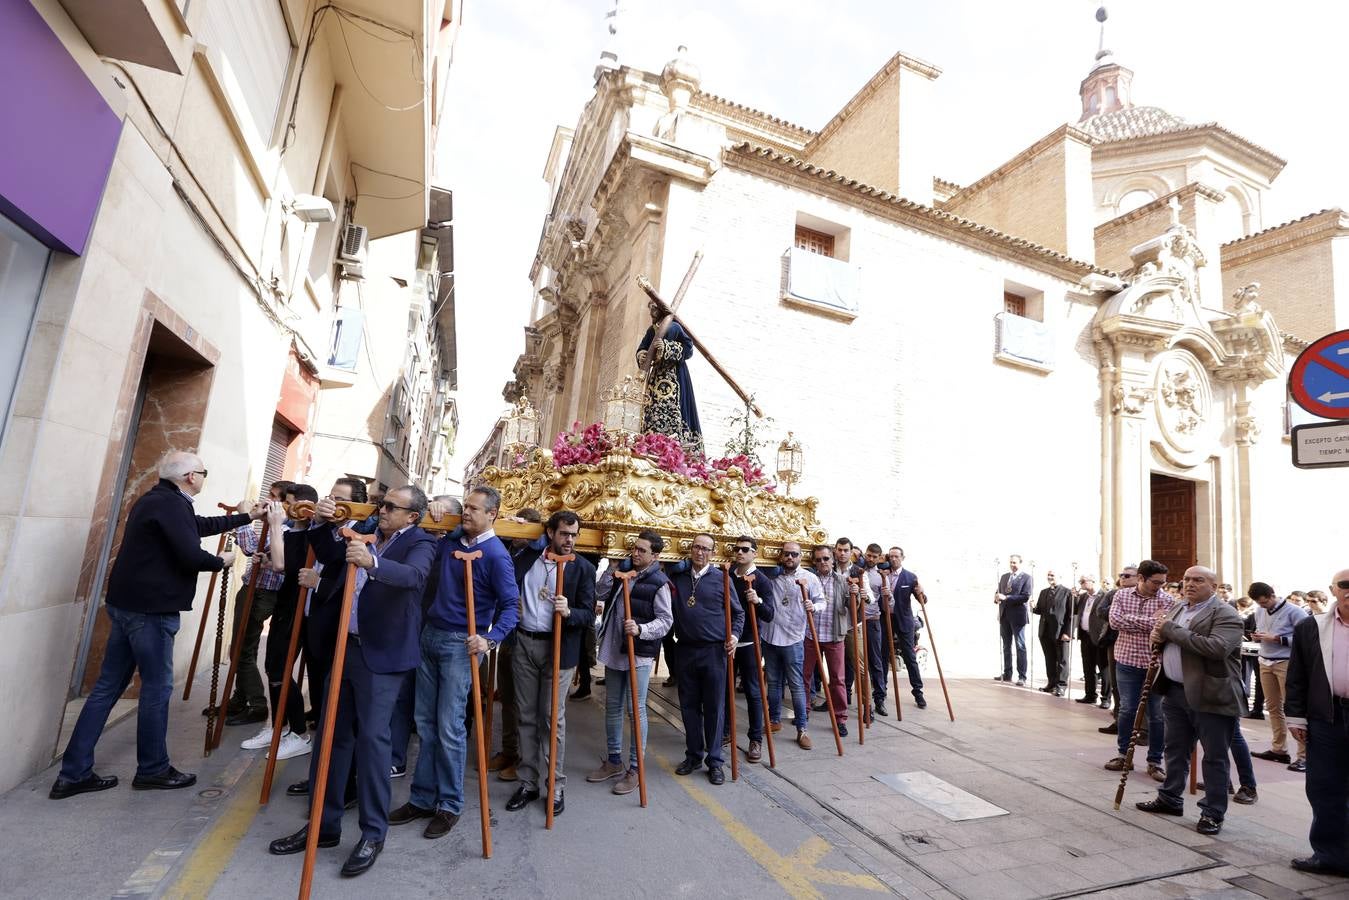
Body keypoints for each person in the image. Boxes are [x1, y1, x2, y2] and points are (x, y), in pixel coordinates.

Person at [51, 452, 259, 800]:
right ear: (191, 476)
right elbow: (191, 555)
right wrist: (222, 561)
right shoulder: (171, 505)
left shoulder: (159, 499)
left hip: (127, 606)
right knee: (157, 690)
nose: (204, 478)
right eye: (204, 473)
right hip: (150, 613)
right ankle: (152, 769)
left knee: (106, 689)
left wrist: (244, 517)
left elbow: (196, 527)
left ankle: (73, 774)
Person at [268, 485, 437, 877]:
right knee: (332, 734)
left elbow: (413, 577)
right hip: (346, 646)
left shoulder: (422, 542)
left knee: (373, 741)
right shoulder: (368, 529)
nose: (382, 510)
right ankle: (323, 825)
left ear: (412, 516)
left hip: (382, 655)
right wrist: (325, 523)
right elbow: (330, 554)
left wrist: (373, 562)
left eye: (391, 507)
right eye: (381, 504)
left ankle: (373, 833)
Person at [390, 486, 518, 838]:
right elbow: (433, 528)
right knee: (425, 723)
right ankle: (421, 798)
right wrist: (440, 515)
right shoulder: (450, 543)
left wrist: (490, 639)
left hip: (461, 645)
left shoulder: (496, 555)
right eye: (467, 508)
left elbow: (511, 606)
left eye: (475, 510)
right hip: (430, 635)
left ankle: (449, 805)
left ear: (492, 514)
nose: (468, 513)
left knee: (449, 728)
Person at [1135, 565, 1244, 836]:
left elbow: (1216, 648)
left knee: (1214, 757)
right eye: (1186, 579)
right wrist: (1156, 638)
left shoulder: (1226, 614)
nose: (1189, 584)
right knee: (1175, 749)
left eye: (1198, 580)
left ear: (1214, 586)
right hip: (1174, 691)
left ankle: (1212, 812)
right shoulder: (1178, 608)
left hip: (1210, 695)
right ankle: (1170, 797)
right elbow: (1163, 638)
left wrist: (1170, 630)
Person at [504, 510, 596, 817]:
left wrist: (570, 611)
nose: (569, 540)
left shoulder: (582, 568)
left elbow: (588, 614)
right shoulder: (527, 560)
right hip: (525, 644)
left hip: (559, 649)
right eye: (563, 534)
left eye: (573, 535)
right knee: (526, 715)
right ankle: (529, 782)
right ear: (549, 533)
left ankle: (555, 785)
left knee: (551, 718)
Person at [285, 476, 369, 800]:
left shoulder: (358, 536)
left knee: (339, 717)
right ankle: (321, 775)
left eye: (340, 499)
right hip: (311, 624)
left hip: (337, 631)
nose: (332, 502)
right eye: (331, 496)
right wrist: (302, 525)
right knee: (321, 710)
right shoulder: (322, 526)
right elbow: (295, 561)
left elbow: (335, 563)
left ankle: (341, 785)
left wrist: (319, 583)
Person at [588, 530, 673, 794]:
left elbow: (666, 621)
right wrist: (610, 568)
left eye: (642, 551)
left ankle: (635, 768)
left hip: (639, 651)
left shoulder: (659, 582)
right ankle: (614, 760)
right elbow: (599, 592)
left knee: (635, 709)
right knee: (612, 705)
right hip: (616, 647)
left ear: (655, 555)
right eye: (634, 549)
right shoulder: (622, 571)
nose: (636, 554)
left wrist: (641, 629)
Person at [238, 484, 316, 760]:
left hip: (299, 610)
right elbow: (283, 566)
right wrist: (268, 562)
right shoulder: (294, 532)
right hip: (285, 605)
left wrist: (273, 526)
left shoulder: (309, 533)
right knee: (273, 668)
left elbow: (286, 565)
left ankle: (299, 733)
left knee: (281, 671)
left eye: (288, 503)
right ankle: (278, 726)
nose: (281, 508)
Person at [1284, 567, 1349, 876]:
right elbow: (1297, 675)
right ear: (1332, 589)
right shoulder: (1312, 627)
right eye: (1345, 585)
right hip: (1327, 718)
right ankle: (1330, 854)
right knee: (1324, 787)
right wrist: (1296, 716)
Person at [667, 534, 742, 784]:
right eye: (697, 547)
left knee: (714, 707)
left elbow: (738, 614)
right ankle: (693, 755)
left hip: (714, 652)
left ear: (713, 552)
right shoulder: (678, 578)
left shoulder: (722, 578)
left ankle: (715, 761)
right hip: (685, 649)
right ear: (691, 550)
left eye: (706, 549)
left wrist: (733, 635)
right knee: (688, 706)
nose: (700, 552)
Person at [222, 479, 294, 725]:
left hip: (262, 593)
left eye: (275, 497)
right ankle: (239, 698)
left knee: (242, 649)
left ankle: (257, 704)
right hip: (253, 590)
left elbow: (251, 549)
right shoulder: (271, 525)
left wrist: (244, 516)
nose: (268, 500)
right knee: (242, 647)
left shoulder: (282, 529)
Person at [1105, 560, 1174, 780]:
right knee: (1127, 709)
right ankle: (1123, 754)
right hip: (1126, 660)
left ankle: (1155, 761)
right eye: (1156, 582)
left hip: (1154, 663)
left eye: (1163, 583)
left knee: (1157, 715)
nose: (1160, 587)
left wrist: (1133, 620)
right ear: (1141, 578)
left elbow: (1165, 627)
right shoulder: (1122, 595)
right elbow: (1115, 621)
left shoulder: (1167, 600)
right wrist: (1149, 622)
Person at [724, 536, 776, 762]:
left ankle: (756, 739)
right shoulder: (726, 576)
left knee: (754, 692)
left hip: (749, 642)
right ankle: (725, 730)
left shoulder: (762, 581)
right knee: (724, 689)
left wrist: (758, 601)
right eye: (737, 549)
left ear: (755, 553)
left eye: (745, 549)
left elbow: (770, 614)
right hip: (727, 642)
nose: (740, 553)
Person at [763, 541, 821, 747]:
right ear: (781, 556)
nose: (790, 557)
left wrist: (812, 605)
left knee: (796, 685)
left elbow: (821, 601)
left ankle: (802, 728)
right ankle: (774, 719)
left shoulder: (810, 578)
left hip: (794, 637)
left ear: (800, 557)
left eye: (794, 554)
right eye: (786, 554)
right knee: (773, 682)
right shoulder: (771, 575)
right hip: (770, 635)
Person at [1248, 581, 1310, 772]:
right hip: (1265, 660)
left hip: (1286, 662)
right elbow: (1261, 630)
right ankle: (1279, 749)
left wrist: (1277, 638)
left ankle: (1304, 756)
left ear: (1272, 595)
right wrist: (1256, 636)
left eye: (1264, 602)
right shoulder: (1259, 611)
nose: (1262, 606)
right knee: (1274, 707)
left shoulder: (1295, 612)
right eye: (1259, 603)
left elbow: (1306, 639)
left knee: (1294, 709)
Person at [636, 296, 702, 453]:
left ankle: (678, 446)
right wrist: (642, 355)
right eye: (650, 308)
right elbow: (642, 348)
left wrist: (667, 347)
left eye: (654, 308)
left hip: (675, 375)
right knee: (652, 408)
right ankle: (652, 443)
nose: (651, 312)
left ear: (660, 308)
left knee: (677, 408)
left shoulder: (675, 327)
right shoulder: (651, 330)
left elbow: (688, 348)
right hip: (656, 376)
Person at [804, 545, 853, 737]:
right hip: (810, 634)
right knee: (804, 676)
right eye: (818, 560)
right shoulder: (808, 580)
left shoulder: (842, 581)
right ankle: (803, 711)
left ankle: (840, 718)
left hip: (834, 636)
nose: (822, 562)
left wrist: (856, 595)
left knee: (838, 679)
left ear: (832, 559)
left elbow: (852, 606)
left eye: (825, 558)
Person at [881, 547, 927, 709]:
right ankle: (881, 690)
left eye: (896, 556)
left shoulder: (910, 577)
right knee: (883, 654)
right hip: (885, 619)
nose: (893, 559)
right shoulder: (882, 573)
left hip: (904, 620)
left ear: (902, 558)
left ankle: (918, 692)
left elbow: (922, 600)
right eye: (891, 556)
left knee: (909, 656)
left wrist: (922, 592)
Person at [1093, 567, 1136, 728]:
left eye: (1127, 575)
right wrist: (1118, 609)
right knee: (1117, 683)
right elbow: (1100, 611)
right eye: (1121, 575)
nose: (1122, 578)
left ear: (1139, 577)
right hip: (1114, 640)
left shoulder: (1146, 595)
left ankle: (1140, 726)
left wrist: (1122, 614)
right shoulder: (1112, 594)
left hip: (1136, 644)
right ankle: (1119, 720)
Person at [861, 544, 891, 716]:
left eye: (874, 556)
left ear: (879, 558)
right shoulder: (855, 571)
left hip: (872, 621)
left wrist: (888, 595)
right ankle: (846, 696)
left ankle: (879, 699)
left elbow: (888, 604)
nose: (871, 559)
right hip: (855, 621)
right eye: (869, 555)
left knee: (876, 661)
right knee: (852, 662)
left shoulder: (881, 577)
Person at [994, 555, 1033, 686]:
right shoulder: (1005, 576)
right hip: (1004, 615)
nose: (1012, 565)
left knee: (1020, 645)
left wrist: (1006, 598)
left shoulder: (1027, 578)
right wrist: (996, 597)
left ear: (1020, 563)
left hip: (1018, 616)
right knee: (1006, 645)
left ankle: (1022, 676)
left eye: (1015, 562)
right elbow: (998, 591)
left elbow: (1025, 596)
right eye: (1011, 562)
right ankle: (1007, 672)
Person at [1033, 570, 1073, 696]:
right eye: (1048, 575)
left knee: (1062, 659)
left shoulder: (1067, 592)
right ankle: (1051, 683)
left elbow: (1071, 615)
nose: (1050, 577)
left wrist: (1068, 632)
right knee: (1049, 658)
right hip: (1045, 630)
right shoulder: (1044, 592)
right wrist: (1033, 607)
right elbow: (1040, 610)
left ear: (1060, 576)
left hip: (1061, 631)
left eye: (1052, 575)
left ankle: (1061, 685)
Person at [1074, 575, 1107, 706]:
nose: (1080, 584)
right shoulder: (1083, 597)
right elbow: (1077, 612)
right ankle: (1090, 694)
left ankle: (1105, 698)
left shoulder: (1104, 595)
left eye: (1083, 581)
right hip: (1085, 636)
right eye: (1080, 581)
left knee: (1103, 669)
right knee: (1088, 667)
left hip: (1099, 637)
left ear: (1092, 581)